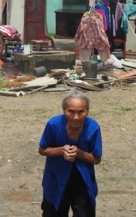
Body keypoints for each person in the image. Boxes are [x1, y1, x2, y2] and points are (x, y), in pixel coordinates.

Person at [38, 89, 102, 217]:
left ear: (87, 111)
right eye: (71, 112)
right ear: (64, 110)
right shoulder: (54, 125)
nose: (76, 117)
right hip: (56, 177)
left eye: (81, 112)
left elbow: (96, 159)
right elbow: (42, 150)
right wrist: (61, 150)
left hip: (82, 179)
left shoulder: (93, 127)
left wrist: (79, 153)